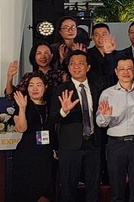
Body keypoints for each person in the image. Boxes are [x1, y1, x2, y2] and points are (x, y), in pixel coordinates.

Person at [96, 55, 134, 202]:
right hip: (116, 145)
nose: (126, 72)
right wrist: (106, 116)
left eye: (129, 68)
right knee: (116, 191)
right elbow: (100, 123)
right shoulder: (107, 93)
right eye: (122, 69)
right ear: (116, 72)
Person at [48, 51, 104, 202]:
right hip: (69, 146)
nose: (76, 66)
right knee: (68, 189)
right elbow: (51, 118)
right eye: (72, 63)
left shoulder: (97, 88)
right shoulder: (60, 90)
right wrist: (63, 111)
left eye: (80, 63)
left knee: (93, 189)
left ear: (88, 67)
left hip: (93, 144)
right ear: (68, 67)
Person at [12, 73, 55, 202]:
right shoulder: (22, 104)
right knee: (27, 194)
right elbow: (21, 128)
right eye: (31, 85)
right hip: (27, 156)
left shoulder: (51, 105)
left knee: (46, 194)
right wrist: (22, 108)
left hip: (46, 157)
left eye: (38, 85)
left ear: (45, 87)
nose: (35, 88)